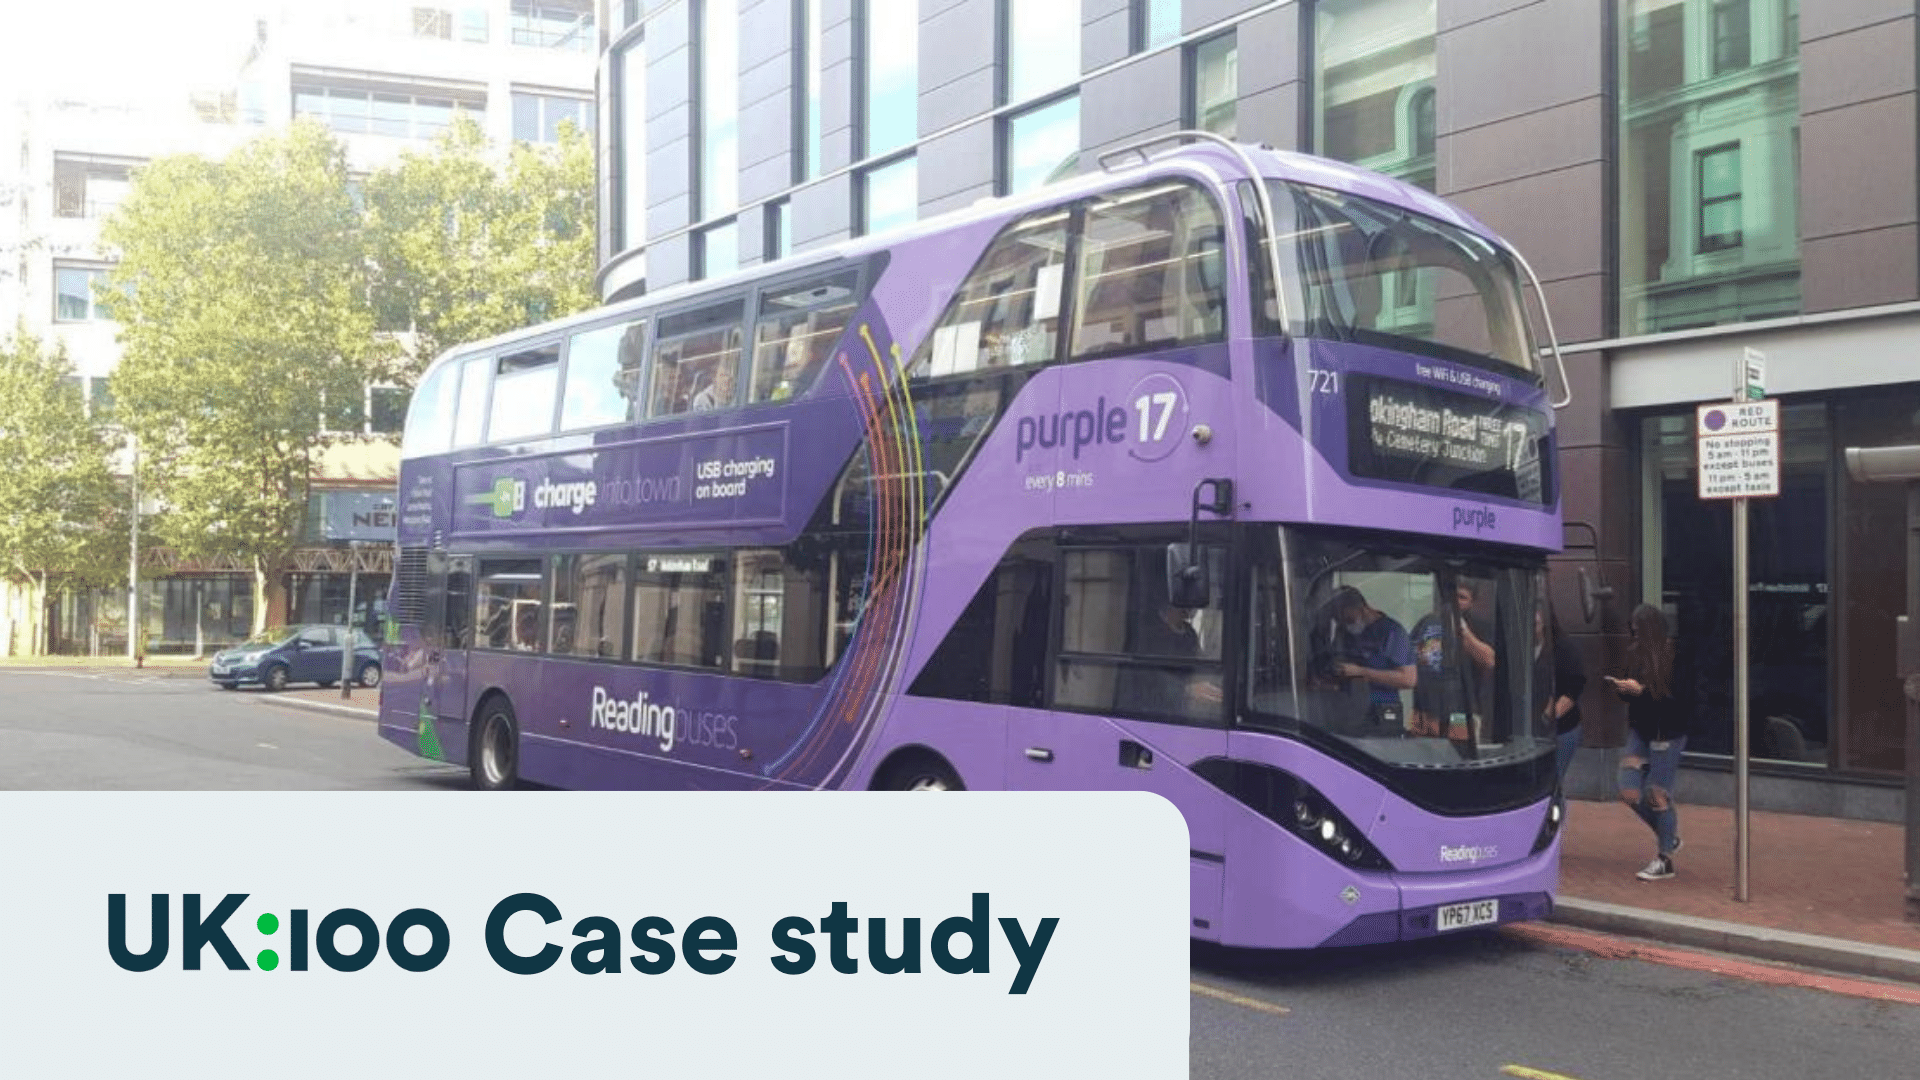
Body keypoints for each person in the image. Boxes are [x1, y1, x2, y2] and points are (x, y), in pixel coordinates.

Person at [1608, 603, 1689, 881]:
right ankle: (1668, 835)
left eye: (1639, 630)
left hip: (1668, 732)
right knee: (1628, 790)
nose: (1634, 635)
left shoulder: (1675, 655)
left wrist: (1642, 691)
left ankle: (1664, 859)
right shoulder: (1635, 654)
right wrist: (1625, 690)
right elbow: (1632, 697)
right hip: (1641, 731)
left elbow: (1679, 698)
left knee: (1657, 793)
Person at [1328, 586, 1415, 730]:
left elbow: (1408, 679)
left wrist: (1362, 672)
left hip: (1381, 712)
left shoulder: (1391, 632)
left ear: (1362, 608)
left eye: (1349, 620)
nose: (1345, 625)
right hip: (1349, 712)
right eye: (1339, 621)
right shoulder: (1343, 632)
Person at [1539, 602, 1586, 800]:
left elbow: (1573, 688)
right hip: (1530, 732)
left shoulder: (1564, 647)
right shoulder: (1518, 646)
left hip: (1561, 729)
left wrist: (1549, 719)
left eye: (1537, 613)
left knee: (1552, 783)